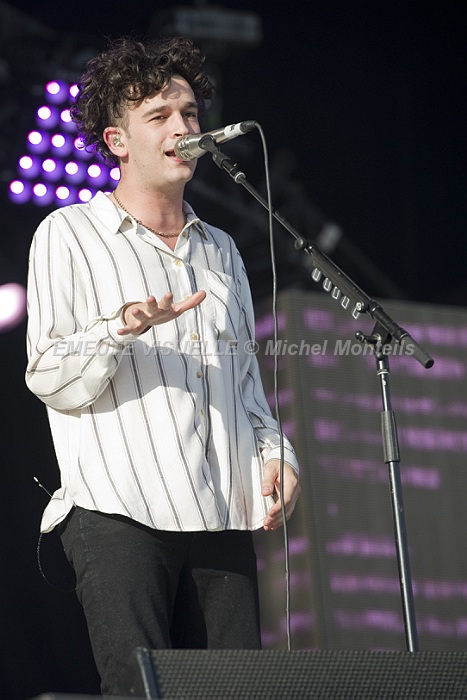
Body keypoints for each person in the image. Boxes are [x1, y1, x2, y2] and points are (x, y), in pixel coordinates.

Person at [25, 35, 300, 696]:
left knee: (235, 693)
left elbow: (246, 387)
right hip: (118, 513)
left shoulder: (222, 250)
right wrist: (120, 328)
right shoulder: (69, 234)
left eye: (189, 114)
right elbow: (49, 376)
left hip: (222, 514)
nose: (183, 127)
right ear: (118, 141)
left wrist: (276, 454)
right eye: (160, 116)